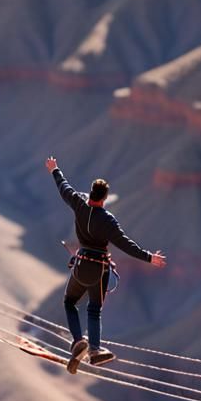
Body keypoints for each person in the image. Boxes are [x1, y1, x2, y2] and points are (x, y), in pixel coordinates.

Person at [46, 156, 166, 373]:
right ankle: (94, 349)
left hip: (81, 265)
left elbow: (64, 188)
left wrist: (55, 169)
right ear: (104, 198)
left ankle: (77, 341)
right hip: (99, 269)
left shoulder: (79, 204)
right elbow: (125, 244)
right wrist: (149, 257)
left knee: (69, 302)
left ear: (91, 192)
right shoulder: (108, 220)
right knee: (94, 310)